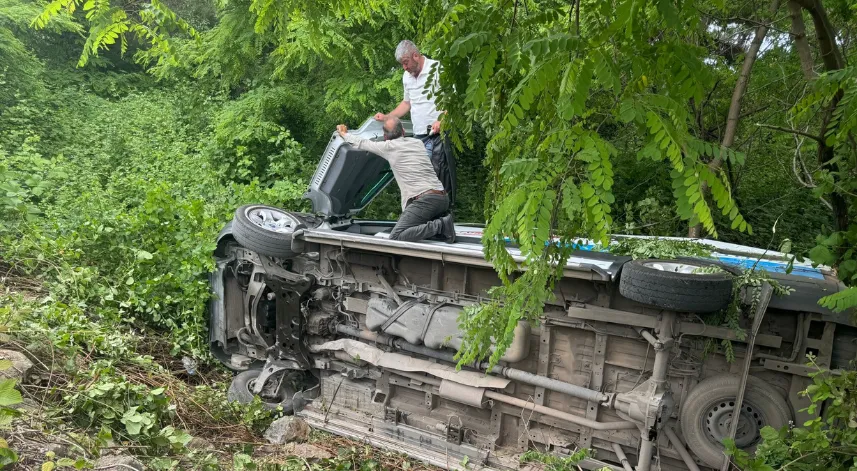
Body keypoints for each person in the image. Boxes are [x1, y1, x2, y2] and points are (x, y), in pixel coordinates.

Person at [337, 118, 455, 243]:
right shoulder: (417, 143)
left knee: (397, 236)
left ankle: (441, 225)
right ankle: (440, 226)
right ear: (403, 131)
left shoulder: (388, 147)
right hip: (443, 198)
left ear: (385, 136)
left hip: (425, 201)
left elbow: (361, 143)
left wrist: (344, 134)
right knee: (415, 231)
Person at [374, 40, 457, 207]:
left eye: (406, 63)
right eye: (402, 64)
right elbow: (407, 103)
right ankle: (423, 216)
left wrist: (442, 120)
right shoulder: (407, 77)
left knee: (438, 178)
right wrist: (387, 116)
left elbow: (453, 100)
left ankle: (441, 217)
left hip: (438, 135)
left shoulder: (437, 69)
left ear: (416, 56)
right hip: (419, 137)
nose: (404, 68)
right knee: (419, 179)